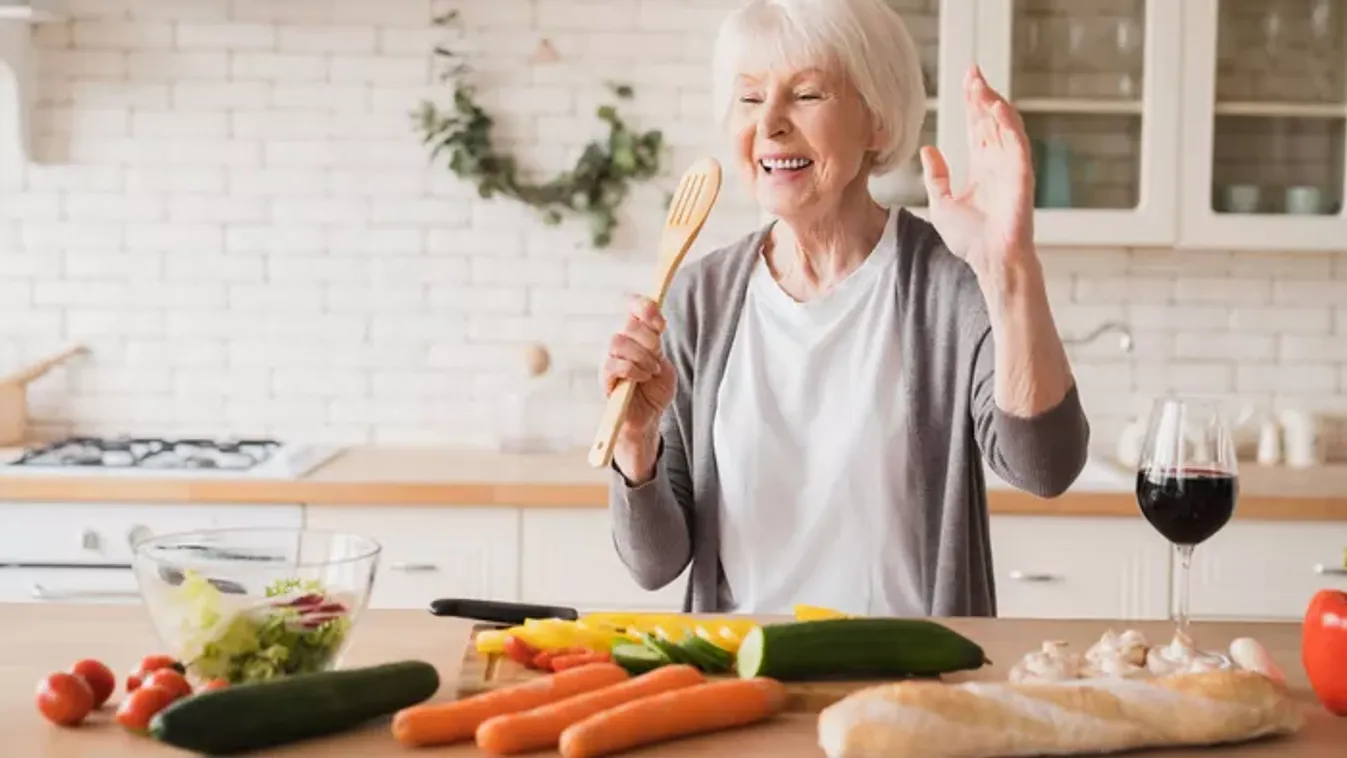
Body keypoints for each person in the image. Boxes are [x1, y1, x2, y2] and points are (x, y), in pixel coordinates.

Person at [597, 0, 1089, 618]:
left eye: (806, 94)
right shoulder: (701, 297)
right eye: (750, 99)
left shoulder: (948, 280)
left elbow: (1045, 467)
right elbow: (654, 563)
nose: (770, 123)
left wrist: (1009, 265)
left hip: (914, 688)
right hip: (747, 681)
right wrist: (637, 445)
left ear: (877, 122)